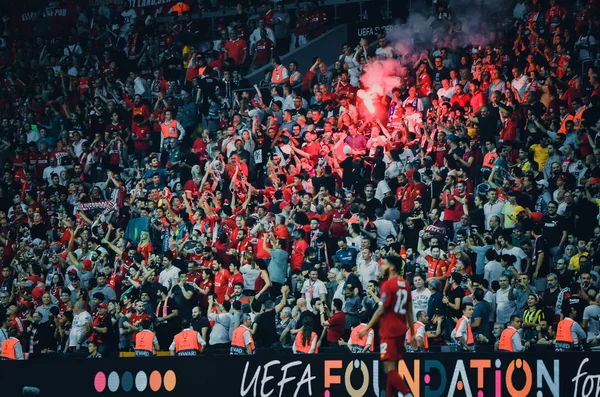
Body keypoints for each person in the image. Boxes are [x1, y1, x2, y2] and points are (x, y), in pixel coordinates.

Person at [359, 256, 414, 397]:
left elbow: (381, 309)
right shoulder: (406, 284)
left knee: (388, 368)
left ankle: (407, 394)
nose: (381, 267)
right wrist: (412, 333)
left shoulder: (388, 285)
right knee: (393, 367)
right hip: (401, 329)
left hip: (389, 330)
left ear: (392, 267)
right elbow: (409, 310)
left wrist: (366, 328)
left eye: (384, 264)